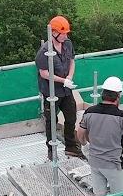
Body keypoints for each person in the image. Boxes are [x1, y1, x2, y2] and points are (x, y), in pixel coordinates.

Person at [35, 16, 85, 160]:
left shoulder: (68, 44)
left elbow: (72, 61)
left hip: (66, 89)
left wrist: (69, 77)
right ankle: (51, 149)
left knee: (71, 116)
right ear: (54, 33)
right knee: (51, 119)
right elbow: (44, 73)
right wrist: (62, 80)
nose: (65, 36)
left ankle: (70, 147)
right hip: (51, 91)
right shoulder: (44, 51)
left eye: (66, 33)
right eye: (62, 33)